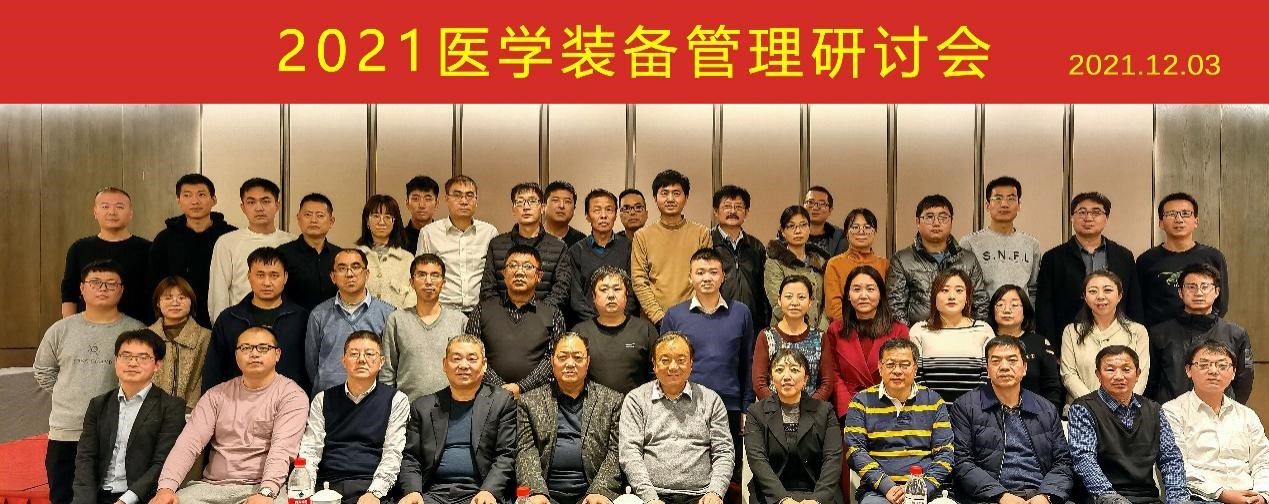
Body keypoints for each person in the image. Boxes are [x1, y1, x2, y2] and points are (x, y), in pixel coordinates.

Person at [151, 326, 309, 504]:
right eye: (246, 348)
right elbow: (188, 443)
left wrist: (267, 492)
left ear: (277, 354)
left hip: (263, 488)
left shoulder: (292, 395)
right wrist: (166, 488)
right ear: (236, 355)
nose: (254, 354)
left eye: (263, 348)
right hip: (211, 487)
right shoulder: (215, 395)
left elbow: (282, 449)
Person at [35, 261, 147, 504]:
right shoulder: (60, 329)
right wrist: (68, 394)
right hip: (67, 430)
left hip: (116, 432)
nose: (103, 288)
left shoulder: (136, 331)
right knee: (64, 497)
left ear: (121, 289)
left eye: (111, 284)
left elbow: (145, 377)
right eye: (95, 282)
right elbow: (43, 371)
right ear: (82, 288)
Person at [660, 247, 755, 488]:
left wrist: (746, 407)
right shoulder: (674, 315)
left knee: (728, 475)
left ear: (723, 276)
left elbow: (747, 363)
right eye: (700, 272)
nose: (707, 278)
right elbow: (663, 366)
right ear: (690, 277)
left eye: (713, 272)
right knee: (690, 471)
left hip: (729, 405)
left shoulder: (741, 312)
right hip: (686, 406)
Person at [950, 337, 1074, 504]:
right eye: (996, 361)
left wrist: (1046, 495)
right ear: (987, 369)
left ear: (1025, 367)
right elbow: (962, 462)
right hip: (991, 498)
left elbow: (1063, 462)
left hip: (1041, 495)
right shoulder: (965, 406)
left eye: (1012, 360)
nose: (1004, 367)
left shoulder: (1046, 409)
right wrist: (1000, 495)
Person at [397, 335, 517, 504]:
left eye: (472, 359)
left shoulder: (501, 402)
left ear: (484, 365)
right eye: (456, 358)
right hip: (433, 493)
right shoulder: (423, 407)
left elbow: (506, 454)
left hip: (480, 492)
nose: (464, 365)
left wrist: (489, 491)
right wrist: (412, 491)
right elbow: (411, 457)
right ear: (444, 364)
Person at [618, 332, 735, 504]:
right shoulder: (636, 399)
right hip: (652, 496)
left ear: (691, 364)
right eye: (665, 360)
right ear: (654, 364)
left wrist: (715, 492)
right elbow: (629, 453)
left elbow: (723, 452)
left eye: (681, 360)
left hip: (702, 495)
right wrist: (650, 498)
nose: (673, 367)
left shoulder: (710, 400)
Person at [73, 330, 188, 504]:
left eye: (143, 357)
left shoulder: (171, 407)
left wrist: (125, 501)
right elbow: (85, 458)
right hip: (99, 496)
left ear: (157, 365)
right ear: (115, 361)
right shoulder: (98, 404)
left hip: (143, 497)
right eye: (126, 356)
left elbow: (162, 462)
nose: (133, 363)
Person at [296, 331, 410, 504]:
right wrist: (306, 491)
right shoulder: (323, 399)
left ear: (381, 362)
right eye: (354, 354)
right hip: (327, 487)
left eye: (369, 354)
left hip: (372, 487)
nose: (362, 359)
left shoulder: (396, 400)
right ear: (343, 361)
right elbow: (310, 451)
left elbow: (393, 453)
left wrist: (375, 493)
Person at [1067, 345, 1187, 504]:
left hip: (1148, 498)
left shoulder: (1154, 410)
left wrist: (1179, 499)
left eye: (1126, 369)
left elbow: (1170, 458)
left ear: (1137, 374)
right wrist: (1111, 498)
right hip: (1101, 498)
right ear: (1098, 374)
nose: (1118, 376)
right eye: (1110, 370)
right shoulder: (1083, 408)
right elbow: (1084, 459)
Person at [515, 333, 625, 504]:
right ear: (552, 361)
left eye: (578, 357)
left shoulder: (612, 401)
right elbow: (525, 451)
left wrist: (600, 491)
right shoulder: (529, 401)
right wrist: (536, 491)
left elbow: (616, 452)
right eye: (563, 357)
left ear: (588, 362)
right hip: (544, 493)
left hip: (593, 493)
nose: (570, 364)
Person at [843, 338, 954, 504]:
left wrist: (921, 487)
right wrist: (887, 487)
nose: (897, 371)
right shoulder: (861, 402)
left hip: (927, 490)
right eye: (890, 364)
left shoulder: (933, 401)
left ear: (915, 368)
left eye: (904, 365)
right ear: (880, 367)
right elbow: (855, 451)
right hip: (878, 492)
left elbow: (945, 452)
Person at [1162, 340, 1269, 504]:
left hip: (1250, 496)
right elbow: (1177, 465)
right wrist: (1222, 494)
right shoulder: (1172, 411)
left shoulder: (1247, 415)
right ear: (1188, 370)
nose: (1213, 371)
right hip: (1200, 497)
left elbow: (1263, 461)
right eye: (1204, 365)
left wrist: (1262, 495)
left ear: (1233, 373)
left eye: (1222, 365)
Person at [1037, 192, 1143, 354]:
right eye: (1082, 212)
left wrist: (1135, 342)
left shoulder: (1123, 256)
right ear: (1072, 217)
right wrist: (1051, 349)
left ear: (1106, 218)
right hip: (1069, 341)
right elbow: (1045, 307)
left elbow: (1134, 302)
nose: (1088, 218)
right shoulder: (1053, 258)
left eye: (1096, 212)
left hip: (1117, 339)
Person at [203, 246, 311, 393]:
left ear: (285, 277)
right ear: (248, 276)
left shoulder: (302, 318)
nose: (267, 282)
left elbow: (310, 368)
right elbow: (213, 369)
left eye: (274, 275)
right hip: (237, 400)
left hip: (289, 399)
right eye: (260, 275)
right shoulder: (229, 318)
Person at [744, 348, 843, 504]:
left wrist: (817, 499)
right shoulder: (756, 412)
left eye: (794, 370)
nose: (786, 376)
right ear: (771, 377)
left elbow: (832, 459)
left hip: (817, 492)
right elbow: (758, 461)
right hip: (771, 496)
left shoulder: (825, 411)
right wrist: (783, 499)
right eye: (779, 370)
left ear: (805, 379)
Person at [466, 244, 566, 398]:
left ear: (539, 276)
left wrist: (522, 387)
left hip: (538, 398)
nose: (519, 272)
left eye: (528, 266)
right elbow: (471, 354)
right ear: (504, 273)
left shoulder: (553, 314)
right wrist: (500, 388)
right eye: (513, 265)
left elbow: (555, 358)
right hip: (488, 397)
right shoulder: (481, 311)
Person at [1146, 263, 1252, 405]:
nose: (1199, 293)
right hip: (1171, 413)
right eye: (1191, 287)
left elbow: (1243, 380)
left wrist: (1229, 410)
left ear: (1217, 292)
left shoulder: (1236, 334)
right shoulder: (1159, 334)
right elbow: (1151, 381)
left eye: (1205, 286)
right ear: (1180, 292)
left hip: (1220, 413)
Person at [148, 174, 237, 328]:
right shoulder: (165, 239)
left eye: (201, 195)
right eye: (187, 195)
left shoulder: (231, 236)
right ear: (178, 201)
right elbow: (154, 285)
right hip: (176, 320)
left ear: (213, 199)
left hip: (224, 319)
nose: (194, 201)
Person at [887, 194, 990, 326]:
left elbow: (980, 303)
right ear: (918, 222)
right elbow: (895, 306)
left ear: (951, 221)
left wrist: (971, 331)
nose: (936, 223)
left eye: (943, 217)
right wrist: (913, 335)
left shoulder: (968, 260)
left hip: (963, 333)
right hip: (918, 334)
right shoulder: (902, 260)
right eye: (929, 217)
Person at [381, 254, 470, 402]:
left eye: (435, 275)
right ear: (411, 282)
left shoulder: (460, 321)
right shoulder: (397, 320)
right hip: (408, 407)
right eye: (422, 275)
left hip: (452, 408)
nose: (428, 281)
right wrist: (387, 407)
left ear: (443, 282)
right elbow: (387, 372)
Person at [305, 249, 396, 393]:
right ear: (333, 277)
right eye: (342, 268)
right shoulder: (319, 315)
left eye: (356, 267)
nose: (349, 274)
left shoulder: (388, 314)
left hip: (373, 398)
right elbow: (311, 363)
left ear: (366, 274)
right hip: (328, 398)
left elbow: (390, 365)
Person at [826, 265, 909, 419]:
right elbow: (834, 374)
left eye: (870, 289)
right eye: (857, 289)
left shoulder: (899, 330)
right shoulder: (835, 330)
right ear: (848, 295)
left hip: (888, 410)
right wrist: (850, 410)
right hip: (849, 411)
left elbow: (902, 374)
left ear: (880, 294)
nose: (863, 295)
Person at [630, 169, 713, 324]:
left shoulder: (702, 233)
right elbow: (639, 281)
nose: (670, 199)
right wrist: (659, 318)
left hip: (694, 318)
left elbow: (705, 277)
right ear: (655, 198)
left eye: (676, 193)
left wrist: (689, 315)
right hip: (653, 322)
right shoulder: (642, 236)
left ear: (686, 198)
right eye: (664, 193)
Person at [208, 178, 295, 324]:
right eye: (251, 202)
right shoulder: (227, 242)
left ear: (277, 205)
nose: (259, 208)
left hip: (284, 322)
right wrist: (223, 329)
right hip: (241, 323)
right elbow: (218, 294)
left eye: (265, 201)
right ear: (243, 207)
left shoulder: (292, 242)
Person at [1137, 192, 1230, 328]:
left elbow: (1221, 302)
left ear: (1196, 221)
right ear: (1161, 223)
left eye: (1185, 213)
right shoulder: (1146, 260)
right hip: (1159, 335)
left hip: (1204, 333)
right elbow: (1138, 305)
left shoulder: (1213, 257)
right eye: (1171, 214)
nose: (1179, 219)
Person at [62, 186, 153, 324]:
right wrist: (69, 328)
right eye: (105, 206)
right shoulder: (79, 248)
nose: (112, 212)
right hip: (89, 328)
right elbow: (69, 293)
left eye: (119, 207)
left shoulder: (148, 249)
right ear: (95, 212)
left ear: (131, 213)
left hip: (138, 327)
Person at [1060, 271, 1150, 406]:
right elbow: (1068, 375)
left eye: (1107, 290)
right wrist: (1096, 406)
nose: (1100, 296)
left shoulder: (1138, 331)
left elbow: (1140, 376)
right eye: (1093, 291)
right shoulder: (1071, 332)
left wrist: (1121, 404)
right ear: (1085, 297)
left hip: (1126, 409)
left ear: (1119, 295)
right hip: (1082, 410)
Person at [416, 175, 499, 313]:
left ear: (476, 200)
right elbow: (421, 275)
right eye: (457, 195)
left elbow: (496, 276)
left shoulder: (489, 232)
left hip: (480, 311)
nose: (464, 201)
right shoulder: (429, 233)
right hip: (443, 311)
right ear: (446, 199)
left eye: (469, 196)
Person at [570, 266, 658, 394]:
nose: (611, 295)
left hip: (636, 405)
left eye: (617, 289)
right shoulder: (580, 332)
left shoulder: (645, 330)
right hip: (591, 405)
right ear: (593, 297)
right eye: (604, 290)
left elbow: (656, 375)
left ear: (626, 295)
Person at [480, 182, 570, 308]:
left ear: (542, 208)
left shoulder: (559, 247)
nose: (526, 207)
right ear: (513, 209)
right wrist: (503, 314)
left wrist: (539, 313)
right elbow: (488, 288)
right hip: (502, 316)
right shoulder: (496, 245)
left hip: (544, 316)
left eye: (532, 201)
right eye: (520, 202)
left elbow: (562, 290)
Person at [562, 189, 639, 325]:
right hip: (588, 325)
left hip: (623, 324)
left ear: (615, 215)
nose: (603, 216)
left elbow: (633, 294)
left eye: (609, 210)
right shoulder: (576, 251)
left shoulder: (629, 248)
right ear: (587, 216)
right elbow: (576, 299)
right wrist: (598, 323)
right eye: (597, 210)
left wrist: (617, 320)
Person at [752, 276, 834, 402]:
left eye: (801, 297)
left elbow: (826, 383)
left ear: (810, 301)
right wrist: (778, 409)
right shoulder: (766, 336)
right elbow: (759, 383)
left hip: (812, 410)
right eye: (789, 296)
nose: (794, 302)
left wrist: (809, 409)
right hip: (772, 410)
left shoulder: (820, 337)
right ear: (779, 300)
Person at [961, 176, 1041, 301]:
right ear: (987, 205)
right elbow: (963, 288)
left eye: (1011, 199)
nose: (1004, 204)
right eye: (998, 198)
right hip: (983, 313)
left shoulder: (1032, 244)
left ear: (1019, 205)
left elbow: (1033, 289)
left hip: (1021, 312)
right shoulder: (969, 243)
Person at [986, 285, 1063, 409]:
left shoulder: (1040, 343)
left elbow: (1052, 387)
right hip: (989, 412)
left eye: (1014, 305)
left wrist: (1048, 414)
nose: (1007, 310)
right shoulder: (984, 340)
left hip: (1035, 413)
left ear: (1025, 310)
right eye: (1000, 304)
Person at [147, 276, 212, 413]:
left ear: (191, 302)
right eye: (168, 298)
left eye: (182, 297)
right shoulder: (145, 337)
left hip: (194, 414)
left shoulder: (206, 337)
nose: (175, 302)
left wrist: (192, 410)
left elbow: (208, 378)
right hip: (150, 414)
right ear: (158, 303)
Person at [712, 185, 770, 331]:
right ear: (716, 211)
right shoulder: (707, 242)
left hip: (752, 323)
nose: (733, 211)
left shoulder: (756, 246)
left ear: (746, 212)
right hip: (716, 321)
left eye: (738, 206)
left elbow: (763, 290)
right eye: (727, 206)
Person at [765, 205, 830, 329]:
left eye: (803, 225)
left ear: (809, 228)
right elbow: (778, 306)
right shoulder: (774, 263)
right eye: (791, 226)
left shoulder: (820, 261)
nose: (798, 231)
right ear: (783, 231)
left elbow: (827, 302)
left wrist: (821, 331)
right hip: (787, 331)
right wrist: (804, 331)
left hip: (820, 331)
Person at [908, 269, 996, 358]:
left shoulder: (983, 330)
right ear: (934, 297)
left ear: (967, 298)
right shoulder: (919, 331)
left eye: (959, 290)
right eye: (945, 290)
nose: (952, 297)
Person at [823, 208, 889, 323]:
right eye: (855, 227)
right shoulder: (834, 264)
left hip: (880, 327)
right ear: (846, 233)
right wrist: (856, 327)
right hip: (845, 328)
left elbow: (889, 302)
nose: (861, 231)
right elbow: (833, 308)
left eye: (867, 227)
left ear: (875, 232)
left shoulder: (884, 264)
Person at [277, 193, 341, 311]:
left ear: (331, 221)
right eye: (307, 215)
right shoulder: (282, 254)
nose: (313, 220)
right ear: (298, 218)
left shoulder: (340, 255)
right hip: (295, 320)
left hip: (335, 321)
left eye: (320, 215)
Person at [357, 194, 417, 310]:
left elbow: (413, 295)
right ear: (367, 221)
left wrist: (400, 318)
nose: (381, 222)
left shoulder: (407, 259)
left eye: (388, 217)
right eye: (376, 216)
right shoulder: (356, 256)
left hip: (397, 320)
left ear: (394, 222)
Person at [803, 186, 846, 257]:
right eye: (810, 202)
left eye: (822, 204)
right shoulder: (790, 232)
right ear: (803, 206)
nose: (815, 207)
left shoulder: (840, 237)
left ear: (830, 210)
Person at [403, 175, 441, 253]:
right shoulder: (398, 239)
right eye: (416, 199)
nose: (422, 205)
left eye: (428, 199)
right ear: (407, 203)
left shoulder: (443, 237)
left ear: (436, 204)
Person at [544, 180, 588, 247]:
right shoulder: (533, 237)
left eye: (567, 201)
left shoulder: (581, 241)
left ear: (574, 209)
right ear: (544, 206)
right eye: (555, 200)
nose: (561, 206)